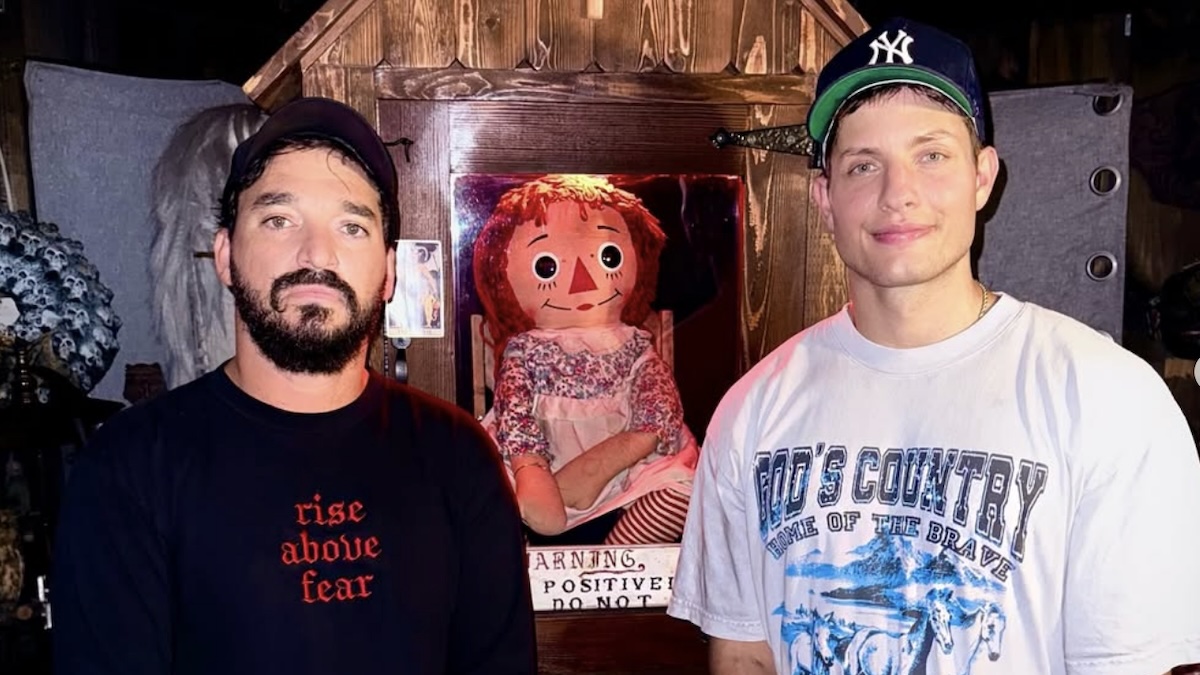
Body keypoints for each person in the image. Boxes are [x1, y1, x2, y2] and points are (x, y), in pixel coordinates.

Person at [667, 16, 1200, 675]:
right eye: (864, 165)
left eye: (931, 155)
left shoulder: (1109, 398)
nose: (899, 195)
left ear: (983, 176)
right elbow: (744, 651)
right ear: (824, 198)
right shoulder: (751, 410)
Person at [51, 96, 537, 675]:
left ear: (389, 272)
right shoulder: (128, 469)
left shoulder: (458, 456)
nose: (317, 254)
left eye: (352, 226)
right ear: (225, 256)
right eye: (278, 219)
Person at [472, 175, 699, 546]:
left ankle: (611, 562)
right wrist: (529, 465)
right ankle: (526, 563)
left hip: (627, 475)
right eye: (547, 266)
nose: (583, 282)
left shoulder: (635, 346)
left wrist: (623, 451)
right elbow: (514, 409)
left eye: (609, 258)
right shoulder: (525, 350)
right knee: (486, 496)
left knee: (682, 488)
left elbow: (659, 404)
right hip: (538, 474)